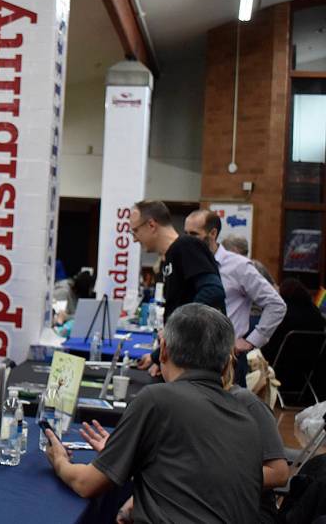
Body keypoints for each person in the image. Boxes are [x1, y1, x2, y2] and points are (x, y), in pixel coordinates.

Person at [45, 303, 263, 523]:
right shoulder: (247, 419)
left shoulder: (157, 400)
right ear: (227, 363)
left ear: (164, 350)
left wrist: (60, 461)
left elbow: (86, 484)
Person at [76, 353, 288, 524]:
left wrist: (205, 476)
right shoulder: (180, 407)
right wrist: (124, 455)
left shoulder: (244, 403)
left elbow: (279, 473)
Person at [185, 209, 285, 386]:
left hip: (225, 361)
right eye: (185, 234)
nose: (187, 239)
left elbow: (276, 304)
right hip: (190, 357)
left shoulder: (238, 266)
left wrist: (251, 341)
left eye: (194, 234)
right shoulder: (188, 262)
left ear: (213, 233)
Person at [130, 200, 225, 377]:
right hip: (186, 358)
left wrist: (176, 325)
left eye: (135, 230)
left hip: (200, 363)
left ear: (151, 225)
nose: (134, 238)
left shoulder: (186, 246)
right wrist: (157, 357)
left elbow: (214, 291)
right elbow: (181, 304)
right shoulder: (171, 256)